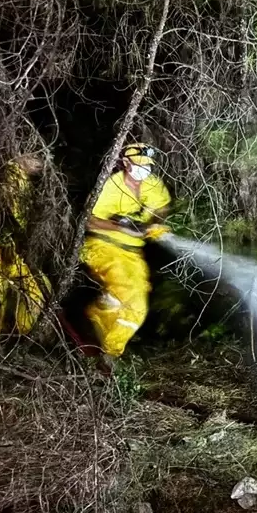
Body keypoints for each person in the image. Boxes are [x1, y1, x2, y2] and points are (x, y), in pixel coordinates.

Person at [80, 143, 171, 361]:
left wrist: (155, 223)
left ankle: (107, 343)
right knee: (124, 292)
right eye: (138, 165)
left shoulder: (153, 184)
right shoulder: (110, 186)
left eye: (147, 165)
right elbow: (89, 221)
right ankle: (101, 334)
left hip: (132, 254)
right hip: (103, 247)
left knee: (139, 306)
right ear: (125, 163)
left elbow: (162, 208)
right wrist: (121, 227)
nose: (143, 170)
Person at [0, 154, 51, 335]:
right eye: (36, 158)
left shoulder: (25, 180)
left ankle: (24, 333)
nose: (39, 164)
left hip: (15, 250)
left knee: (36, 289)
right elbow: (2, 211)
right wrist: (17, 235)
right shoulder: (9, 175)